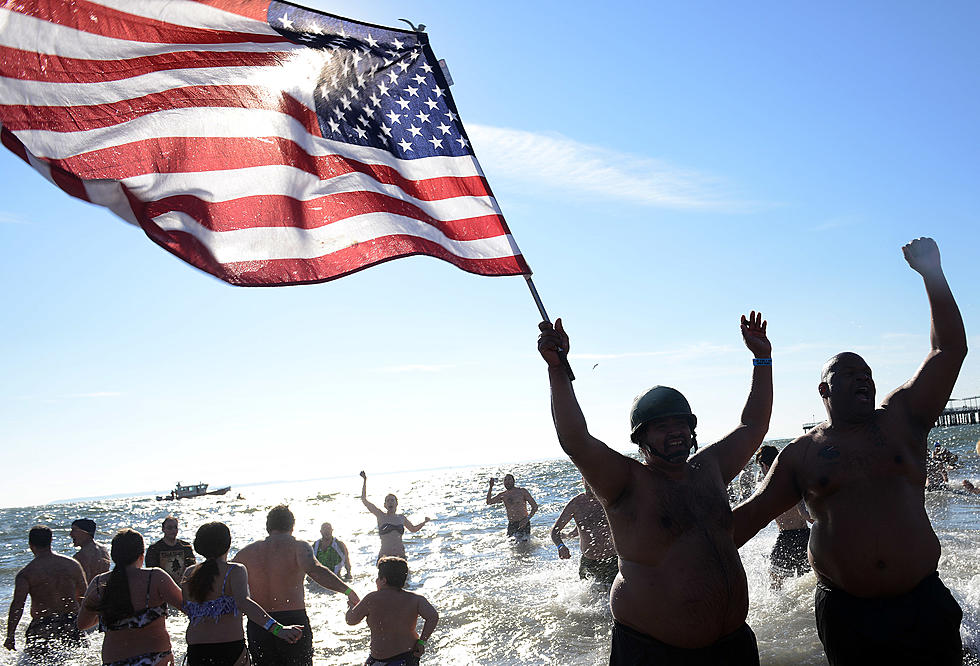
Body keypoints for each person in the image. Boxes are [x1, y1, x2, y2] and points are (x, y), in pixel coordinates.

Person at [733, 237, 967, 665]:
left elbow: (948, 350)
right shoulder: (802, 454)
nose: (865, 379)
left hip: (922, 603)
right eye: (850, 373)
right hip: (848, 614)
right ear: (824, 389)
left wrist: (932, 273)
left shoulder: (902, 419)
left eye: (868, 373)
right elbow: (747, 517)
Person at [537, 310, 772, 664]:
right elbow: (575, 439)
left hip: (732, 646)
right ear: (641, 439)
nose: (676, 431)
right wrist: (557, 368)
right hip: (652, 651)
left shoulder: (708, 470)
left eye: (682, 424)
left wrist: (762, 358)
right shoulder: (627, 482)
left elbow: (753, 425)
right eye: (662, 427)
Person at [232, 504, 361, 666]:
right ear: (292, 526)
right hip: (293, 620)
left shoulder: (245, 553)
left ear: (268, 526)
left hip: (260, 623)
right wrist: (347, 590)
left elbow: (228, 586)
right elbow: (315, 571)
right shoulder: (299, 547)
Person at [182, 522, 302, 666]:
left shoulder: (190, 573)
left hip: (196, 648)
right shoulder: (234, 570)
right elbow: (244, 603)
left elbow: (188, 610)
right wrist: (278, 629)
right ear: (227, 544)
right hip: (229, 648)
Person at [77, 528, 183, 666]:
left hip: (115, 661)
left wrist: (108, 613)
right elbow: (189, 608)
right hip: (156, 659)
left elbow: (82, 624)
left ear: (114, 556)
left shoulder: (99, 583)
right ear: (141, 555)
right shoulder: (155, 577)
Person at [5, 525, 87, 660]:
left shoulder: (27, 573)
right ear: (51, 541)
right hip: (71, 622)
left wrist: (10, 635)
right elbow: (84, 596)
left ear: (31, 545)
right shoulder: (72, 565)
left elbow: (18, 605)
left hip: (43, 626)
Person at [345, 557, 438, 666]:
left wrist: (351, 607)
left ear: (383, 580)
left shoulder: (372, 599)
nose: (376, 581)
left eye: (378, 578)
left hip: (378, 659)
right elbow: (433, 616)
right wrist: (422, 642)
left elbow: (351, 620)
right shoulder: (415, 599)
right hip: (407, 657)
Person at [754, 445, 813, 586]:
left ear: (765, 465)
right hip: (807, 536)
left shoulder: (768, 487)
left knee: (775, 585)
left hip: (787, 539)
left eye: (760, 468)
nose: (761, 472)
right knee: (808, 580)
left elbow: (758, 518)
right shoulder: (793, 480)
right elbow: (805, 513)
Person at [551, 477, 617, 585]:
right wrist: (560, 546)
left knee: (615, 599)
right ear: (582, 480)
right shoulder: (576, 504)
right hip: (589, 562)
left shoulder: (609, 500)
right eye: (587, 480)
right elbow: (555, 531)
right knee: (587, 600)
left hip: (612, 560)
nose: (590, 484)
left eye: (592, 480)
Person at [360, 472, 431, 561]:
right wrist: (365, 480)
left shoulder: (401, 518)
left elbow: (413, 529)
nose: (390, 502)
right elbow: (364, 499)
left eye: (392, 500)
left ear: (396, 503)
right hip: (385, 557)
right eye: (388, 501)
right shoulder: (380, 515)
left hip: (400, 556)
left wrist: (424, 522)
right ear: (385, 505)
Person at [485, 474, 538, 540]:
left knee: (525, 547)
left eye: (509, 479)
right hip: (512, 524)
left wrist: (527, 519)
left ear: (514, 481)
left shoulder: (522, 492)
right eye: (505, 480)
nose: (507, 482)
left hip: (523, 523)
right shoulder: (503, 495)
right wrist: (491, 487)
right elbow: (489, 502)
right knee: (511, 547)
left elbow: (535, 507)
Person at [145, 516, 196, 584]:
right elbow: (151, 572)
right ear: (163, 529)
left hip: (182, 584)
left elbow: (192, 568)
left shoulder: (186, 547)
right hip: (162, 585)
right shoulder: (154, 549)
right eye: (169, 528)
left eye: (175, 527)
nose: (173, 530)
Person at [71, 518, 111, 583]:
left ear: (85, 532)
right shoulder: (103, 549)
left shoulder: (81, 556)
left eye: (74, 530)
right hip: (104, 589)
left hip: (91, 591)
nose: (71, 534)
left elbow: (84, 583)